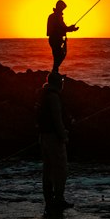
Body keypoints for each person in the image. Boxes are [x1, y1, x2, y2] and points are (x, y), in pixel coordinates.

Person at [37, 70, 72, 210]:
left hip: (43, 137)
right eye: (62, 81)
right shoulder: (54, 96)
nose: (63, 84)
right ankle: (58, 199)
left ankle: (49, 200)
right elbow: (57, 119)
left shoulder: (44, 94)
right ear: (57, 82)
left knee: (48, 169)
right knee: (60, 170)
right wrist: (63, 135)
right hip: (53, 138)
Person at [46, 0, 78, 71]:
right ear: (59, 7)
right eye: (62, 8)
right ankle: (54, 71)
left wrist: (71, 28)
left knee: (59, 56)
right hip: (55, 39)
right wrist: (71, 28)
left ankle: (55, 71)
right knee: (59, 56)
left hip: (56, 39)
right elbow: (61, 28)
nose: (63, 10)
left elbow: (63, 28)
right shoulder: (55, 17)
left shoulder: (57, 16)